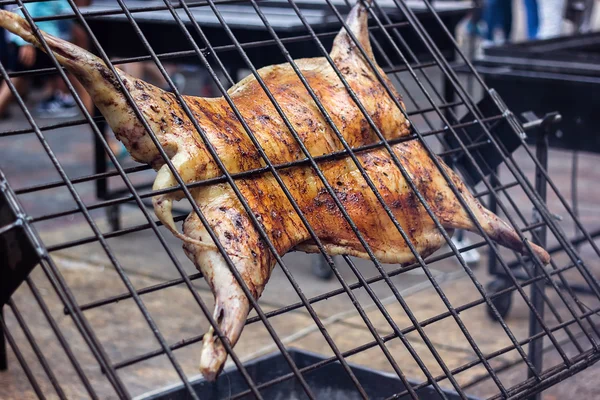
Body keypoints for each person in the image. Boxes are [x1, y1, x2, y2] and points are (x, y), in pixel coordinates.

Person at [0, 0, 93, 118]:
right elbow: (25, 9)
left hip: (48, 41)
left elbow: (64, 10)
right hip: (34, 41)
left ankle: (99, 129)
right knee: (13, 83)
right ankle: (99, 129)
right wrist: (25, 42)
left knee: (79, 80)